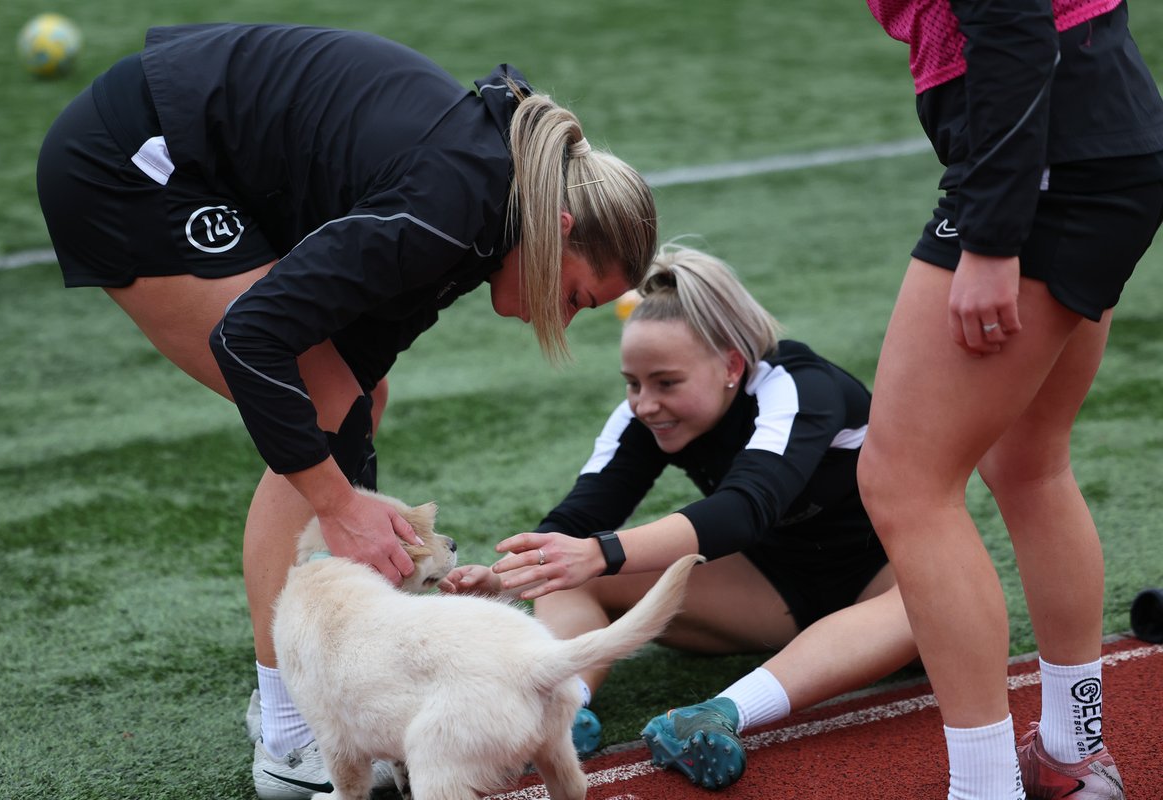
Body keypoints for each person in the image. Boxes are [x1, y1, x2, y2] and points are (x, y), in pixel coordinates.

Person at [35, 23, 657, 800]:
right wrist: (340, 507)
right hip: (133, 158)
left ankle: (334, 691)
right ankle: (290, 733)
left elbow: (357, 380)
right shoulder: (452, 207)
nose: (554, 322)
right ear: (560, 230)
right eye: (574, 298)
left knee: (350, 396)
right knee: (319, 400)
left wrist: (360, 539)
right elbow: (250, 340)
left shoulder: (486, 218)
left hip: (207, 157)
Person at [442, 244, 919, 790]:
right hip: (771, 596)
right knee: (562, 568)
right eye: (633, 383)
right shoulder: (646, 414)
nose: (645, 403)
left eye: (666, 383)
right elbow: (579, 514)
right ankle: (561, 712)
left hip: (882, 582)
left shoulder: (797, 385)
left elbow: (745, 511)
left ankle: (719, 714)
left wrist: (600, 551)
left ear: (731, 367)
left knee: (930, 602)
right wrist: (503, 580)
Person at [857, 2, 1163, 799]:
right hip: (1098, 127)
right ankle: (1074, 755)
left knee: (903, 482)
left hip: (1045, 147)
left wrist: (992, 237)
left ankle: (985, 789)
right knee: (1029, 461)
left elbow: (1014, 20)